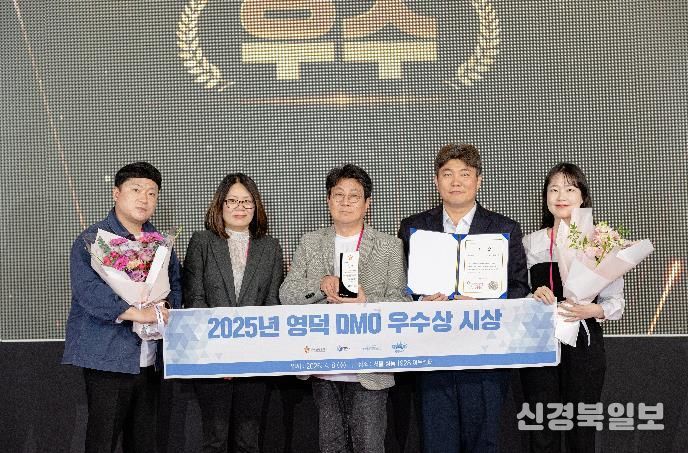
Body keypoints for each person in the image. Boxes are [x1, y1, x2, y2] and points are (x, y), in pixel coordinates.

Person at [397, 143, 529, 453]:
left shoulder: (504, 228)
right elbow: (399, 286)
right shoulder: (414, 228)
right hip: (433, 356)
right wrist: (420, 301)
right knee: (436, 444)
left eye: (465, 174)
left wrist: (482, 302)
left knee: (484, 443)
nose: (456, 182)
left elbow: (520, 288)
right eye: (447, 174)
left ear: (478, 180)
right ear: (436, 181)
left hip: (486, 357)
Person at [280, 164, 409, 453]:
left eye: (354, 196)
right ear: (329, 200)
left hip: (370, 366)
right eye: (338, 195)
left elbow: (403, 303)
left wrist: (366, 301)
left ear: (367, 203)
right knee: (331, 447)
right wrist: (320, 284)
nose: (346, 202)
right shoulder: (310, 243)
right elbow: (286, 294)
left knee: (369, 447)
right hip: (324, 367)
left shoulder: (390, 246)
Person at [62, 162, 182, 453]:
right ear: (116, 194)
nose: (144, 198)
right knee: (102, 441)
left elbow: (176, 285)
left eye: (152, 193)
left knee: (144, 442)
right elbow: (89, 292)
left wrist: (164, 307)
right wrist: (135, 312)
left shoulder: (161, 244)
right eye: (136, 190)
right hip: (108, 358)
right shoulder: (94, 240)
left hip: (150, 357)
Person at [520, 163, 624, 453]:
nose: (561, 196)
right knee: (542, 427)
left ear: (582, 197)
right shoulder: (530, 243)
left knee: (582, 428)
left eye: (569, 189)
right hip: (540, 344)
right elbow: (516, 292)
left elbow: (616, 302)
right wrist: (531, 294)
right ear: (546, 198)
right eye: (553, 189)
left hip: (584, 345)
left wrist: (592, 310)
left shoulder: (600, 243)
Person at [183, 173, 284, 453]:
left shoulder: (270, 247)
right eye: (232, 201)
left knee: (248, 441)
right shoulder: (202, 242)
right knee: (214, 440)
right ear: (220, 204)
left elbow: (272, 303)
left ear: (256, 206)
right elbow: (195, 299)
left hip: (254, 360)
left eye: (247, 201)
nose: (240, 207)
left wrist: (247, 355)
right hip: (211, 358)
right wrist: (223, 356)